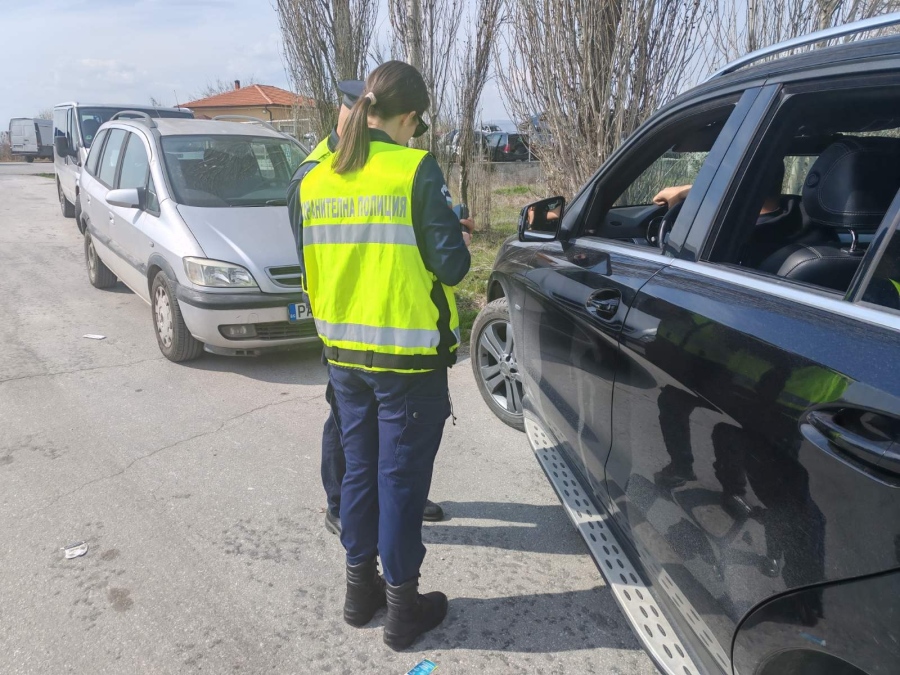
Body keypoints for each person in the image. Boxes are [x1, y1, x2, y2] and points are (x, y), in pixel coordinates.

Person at [296, 61, 471, 650]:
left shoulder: (313, 176)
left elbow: (316, 265)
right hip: (407, 360)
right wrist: (451, 230)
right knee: (400, 482)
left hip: (343, 356)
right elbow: (452, 266)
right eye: (414, 126)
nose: (412, 135)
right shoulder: (413, 169)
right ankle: (402, 609)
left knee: (359, 474)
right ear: (408, 118)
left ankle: (358, 591)